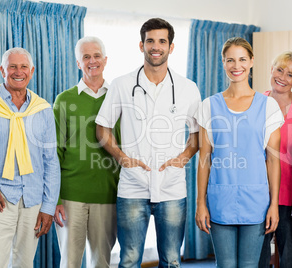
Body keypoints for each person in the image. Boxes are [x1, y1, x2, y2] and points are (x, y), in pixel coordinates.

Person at [95, 18, 201, 268]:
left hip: (172, 187)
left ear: (171, 47)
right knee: (130, 259)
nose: (156, 46)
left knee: (172, 260)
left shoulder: (188, 88)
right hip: (133, 186)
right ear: (141, 45)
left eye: (162, 41)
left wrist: (183, 157)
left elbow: (197, 134)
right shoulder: (122, 84)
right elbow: (102, 128)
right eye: (150, 41)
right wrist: (122, 158)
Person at [0, 47, 60, 267]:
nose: (18, 71)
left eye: (24, 66)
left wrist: (48, 206)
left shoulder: (42, 109)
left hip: (33, 200)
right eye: (12, 66)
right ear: (2, 70)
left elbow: (51, 161)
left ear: (31, 71)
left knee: (25, 264)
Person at [195, 37, 284, 267]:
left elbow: (273, 162)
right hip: (220, 200)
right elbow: (204, 160)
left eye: (243, 59)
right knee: (224, 265)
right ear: (223, 63)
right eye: (231, 60)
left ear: (252, 61)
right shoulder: (208, 106)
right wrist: (201, 203)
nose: (237, 66)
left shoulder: (268, 106)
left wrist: (274, 204)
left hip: (256, 202)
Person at [53, 36, 120, 268]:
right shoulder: (64, 100)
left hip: (107, 195)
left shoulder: (118, 99)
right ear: (78, 63)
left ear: (105, 60)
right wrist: (56, 199)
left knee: (102, 262)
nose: (92, 61)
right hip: (71, 196)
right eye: (86, 57)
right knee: (70, 262)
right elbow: (54, 153)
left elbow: (124, 149)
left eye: (97, 55)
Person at [258, 52, 292, 267]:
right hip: (259, 194)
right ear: (271, 69)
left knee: (291, 259)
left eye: (290, 74)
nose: (282, 77)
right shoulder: (256, 104)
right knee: (258, 259)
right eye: (279, 69)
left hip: (291, 197)